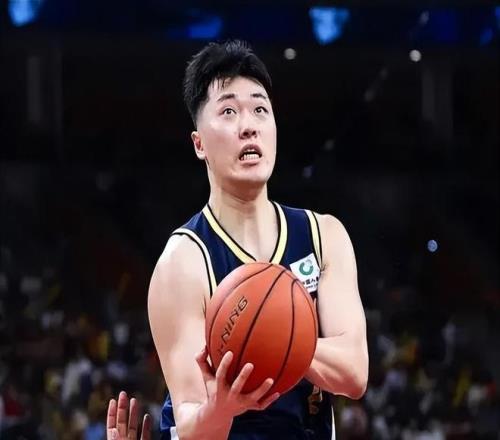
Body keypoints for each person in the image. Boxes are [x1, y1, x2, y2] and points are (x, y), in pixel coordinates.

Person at [111, 39, 368, 439]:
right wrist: (220, 408)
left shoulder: (323, 235)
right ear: (199, 144)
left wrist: (273, 339)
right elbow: (192, 426)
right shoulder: (183, 263)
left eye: (260, 109)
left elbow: (354, 372)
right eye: (228, 111)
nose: (249, 125)